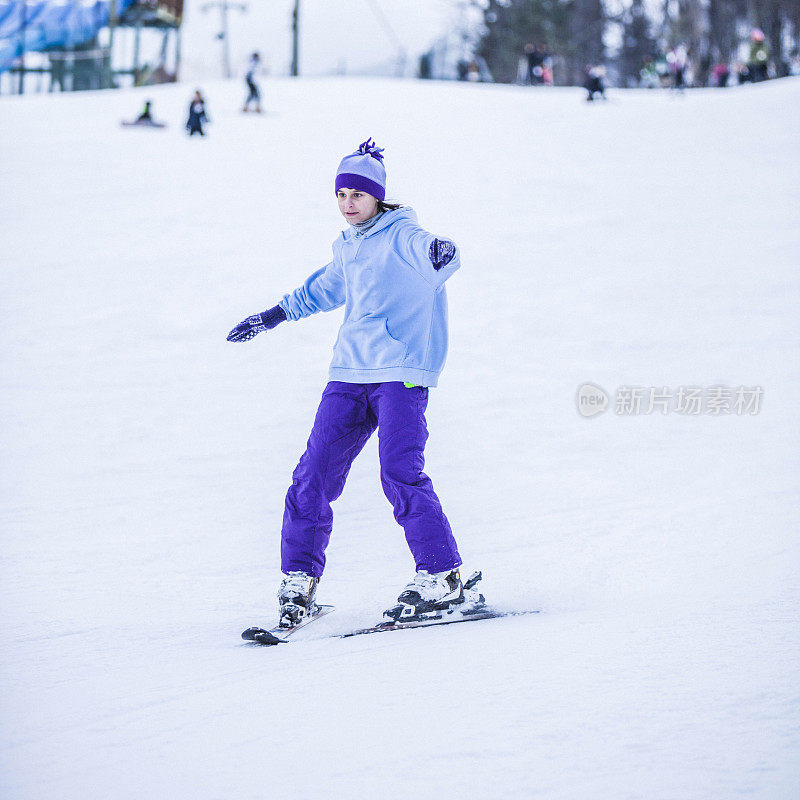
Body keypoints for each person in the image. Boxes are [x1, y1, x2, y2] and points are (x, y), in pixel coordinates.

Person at [227, 138, 465, 627]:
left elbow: (439, 255)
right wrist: (274, 315)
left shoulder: (404, 235)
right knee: (312, 475)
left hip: (400, 373)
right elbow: (323, 289)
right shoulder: (347, 247)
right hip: (349, 374)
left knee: (399, 472)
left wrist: (443, 251)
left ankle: (441, 575)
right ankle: (299, 581)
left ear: (377, 196)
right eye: (340, 195)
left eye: (357, 194)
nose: (347, 203)